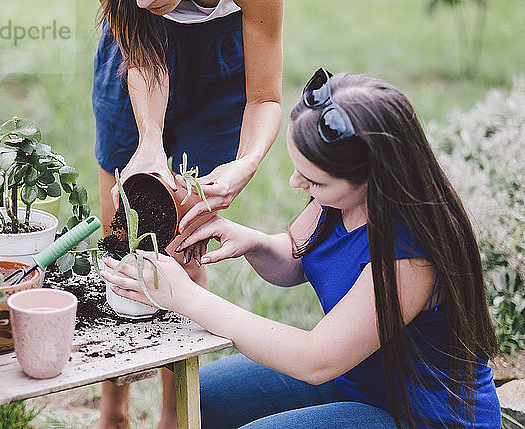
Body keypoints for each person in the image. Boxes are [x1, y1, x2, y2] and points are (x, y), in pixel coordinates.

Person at [100, 70, 502, 428]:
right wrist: (252, 242)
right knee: (208, 396)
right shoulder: (338, 202)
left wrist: (186, 296)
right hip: (356, 379)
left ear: (375, 177)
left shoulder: (412, 255)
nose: (295, 183)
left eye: (313, 179)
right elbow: (295, 254)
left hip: (422, 415)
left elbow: (315, 360)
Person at [92, 0, 283, 427]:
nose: (143, 1)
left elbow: (266, 96)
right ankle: (112, 412)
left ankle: (175, 414)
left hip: (218, 64)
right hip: (134, 56)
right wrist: (149, 141)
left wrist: (246, 161)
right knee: (122, 245)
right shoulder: (135, 8)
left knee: (181, 250)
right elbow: (143, 50)